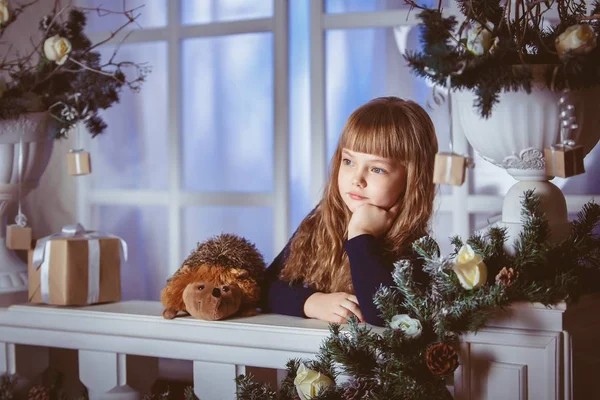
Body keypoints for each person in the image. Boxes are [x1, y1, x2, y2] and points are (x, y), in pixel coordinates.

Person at [261, 96, 438, 326]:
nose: (357, 179)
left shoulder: (419, 248)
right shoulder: (321, 220)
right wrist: (312, 303)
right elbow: (264, 287)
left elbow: (386, 315)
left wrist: (361, 234)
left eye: (377, 169)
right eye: (348, 161)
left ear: (412, 179)